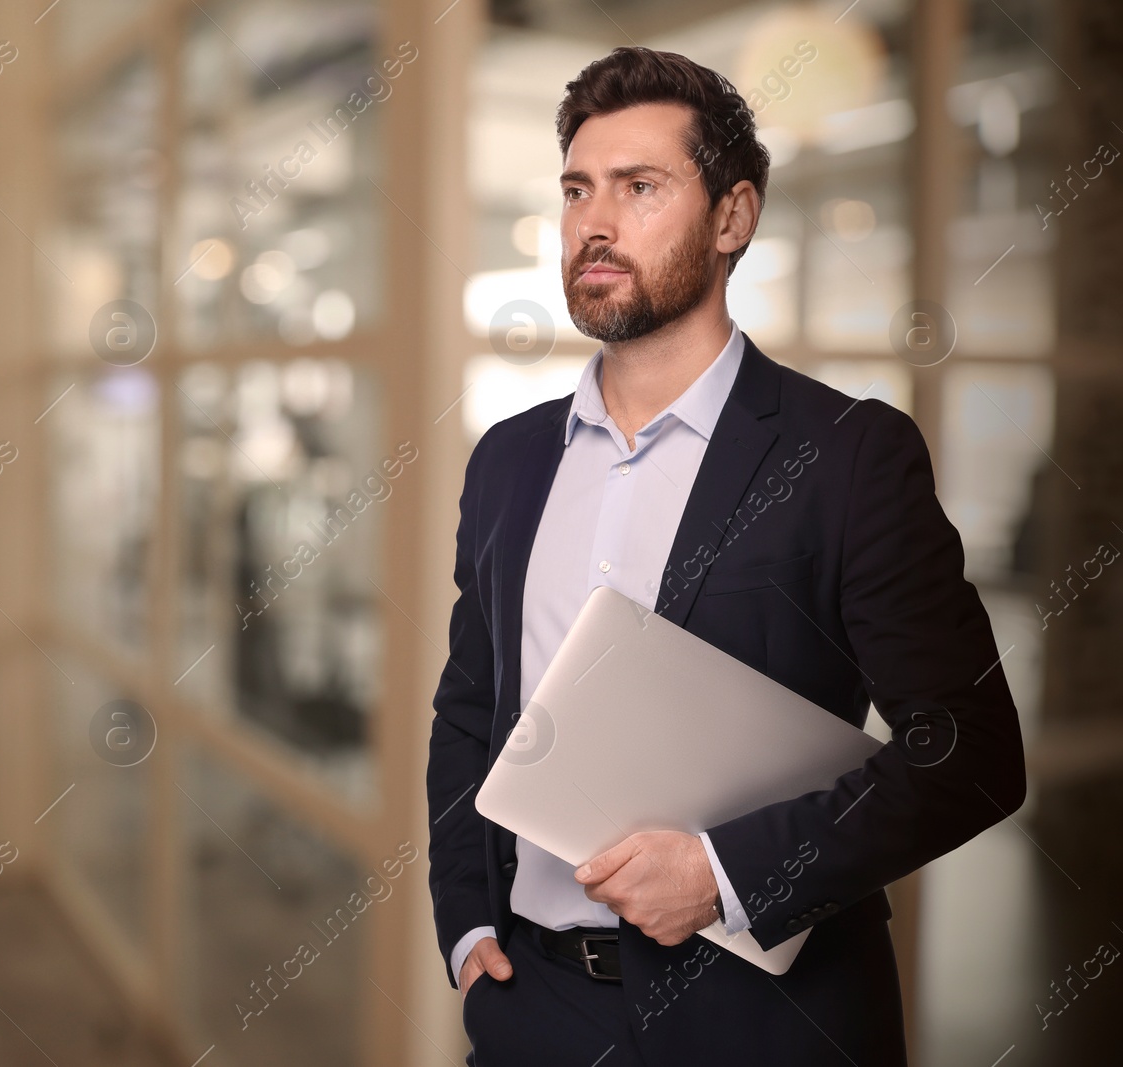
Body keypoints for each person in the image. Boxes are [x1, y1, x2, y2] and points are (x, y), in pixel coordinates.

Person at [426, 46, 1026, 1067]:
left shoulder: (844, 456)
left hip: (758, 1021)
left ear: (732, 218)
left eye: (639, 186)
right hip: (531, 1008)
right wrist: (469, 920)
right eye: (577, 189)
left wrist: (723, 872)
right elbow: (471, 704)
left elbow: (967, 750)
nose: (594, 222)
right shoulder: (508, 459)